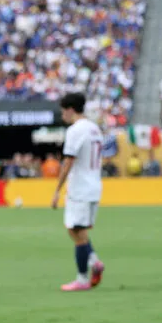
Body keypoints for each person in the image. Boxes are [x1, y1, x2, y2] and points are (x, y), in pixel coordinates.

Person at [51, 93, 105, 292]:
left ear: (70, 109)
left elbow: (68, 161)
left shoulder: (75, 130)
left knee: (75, 230)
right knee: (78, 230)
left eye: (63, 111)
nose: (62, 115)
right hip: (94, 185)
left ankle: (83, 277)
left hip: (80, 187)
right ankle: (93, 261)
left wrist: (57, 189)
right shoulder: (94, 128)